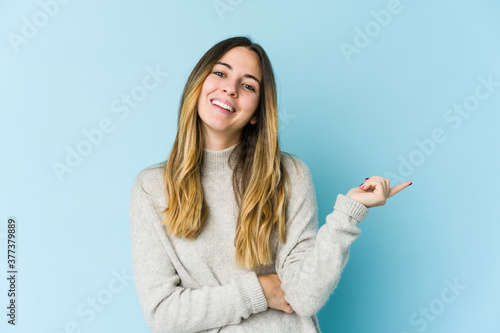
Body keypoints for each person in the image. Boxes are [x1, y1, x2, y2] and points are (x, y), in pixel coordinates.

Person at [129, 36, 412, 333]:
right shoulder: (152, 188)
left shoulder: (289, 175)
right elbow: (163, 315)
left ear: (256, 114)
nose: (230, 88)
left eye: (248, 85)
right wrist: (259, 291)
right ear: (198, 84)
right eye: (220, 73)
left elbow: (303, 297)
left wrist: (348, 214)